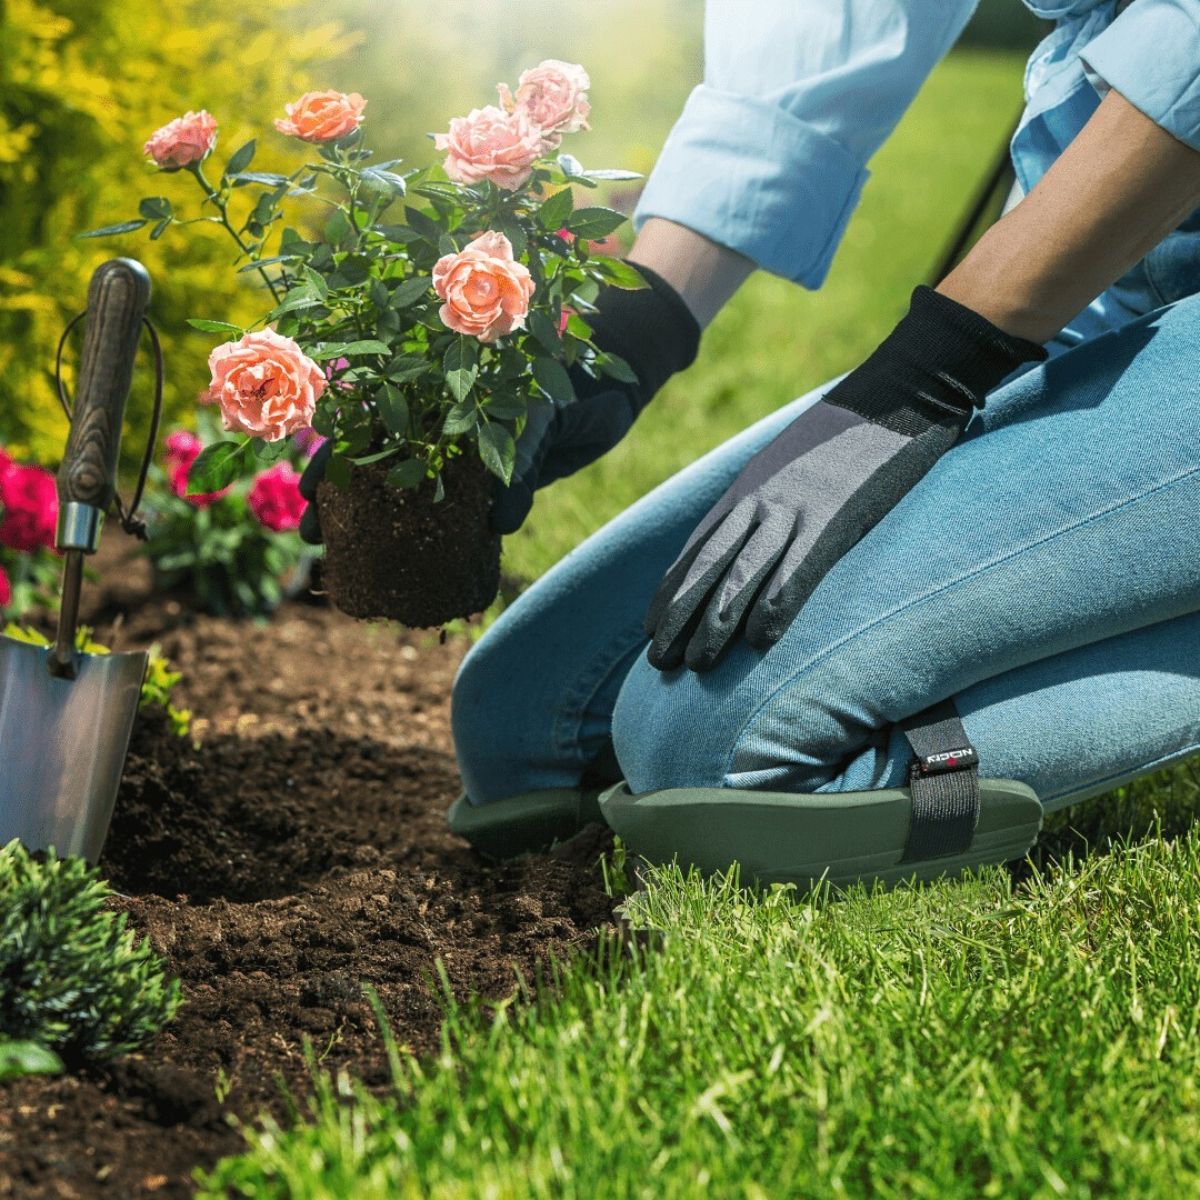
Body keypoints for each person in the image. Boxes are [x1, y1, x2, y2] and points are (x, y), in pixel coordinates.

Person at [309, 0, 1200, 884]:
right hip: (1106, 281)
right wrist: (636, 326)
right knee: (527, 727)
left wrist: (929, 377)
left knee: (723, 756)